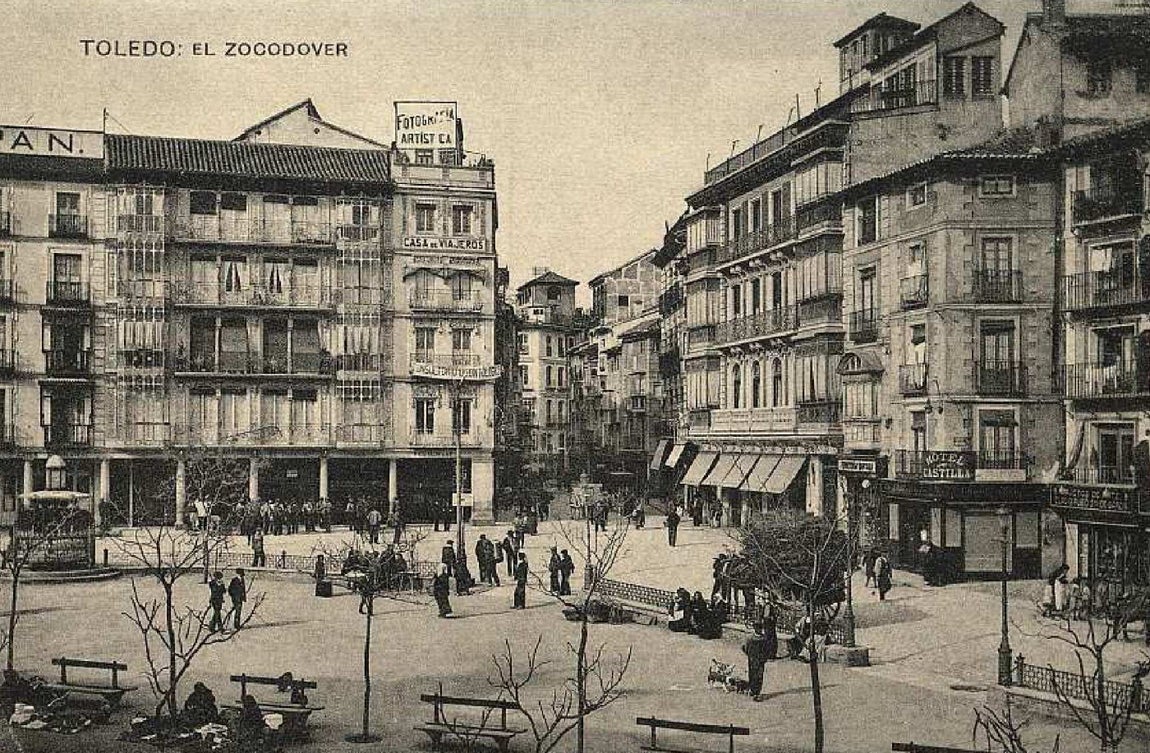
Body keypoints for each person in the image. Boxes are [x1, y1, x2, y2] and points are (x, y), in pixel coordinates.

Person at [742, 622, 773, 701]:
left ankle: (757, 692)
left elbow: (767, 650)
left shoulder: (763, 638)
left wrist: (764, 657)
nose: (759, 630)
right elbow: (745, 647)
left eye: (759, 628)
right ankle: (752, 690)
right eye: (757, 628)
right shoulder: (751, 638)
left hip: (758, 660)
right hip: (754, 659)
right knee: (752, 674)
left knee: (758, 675)